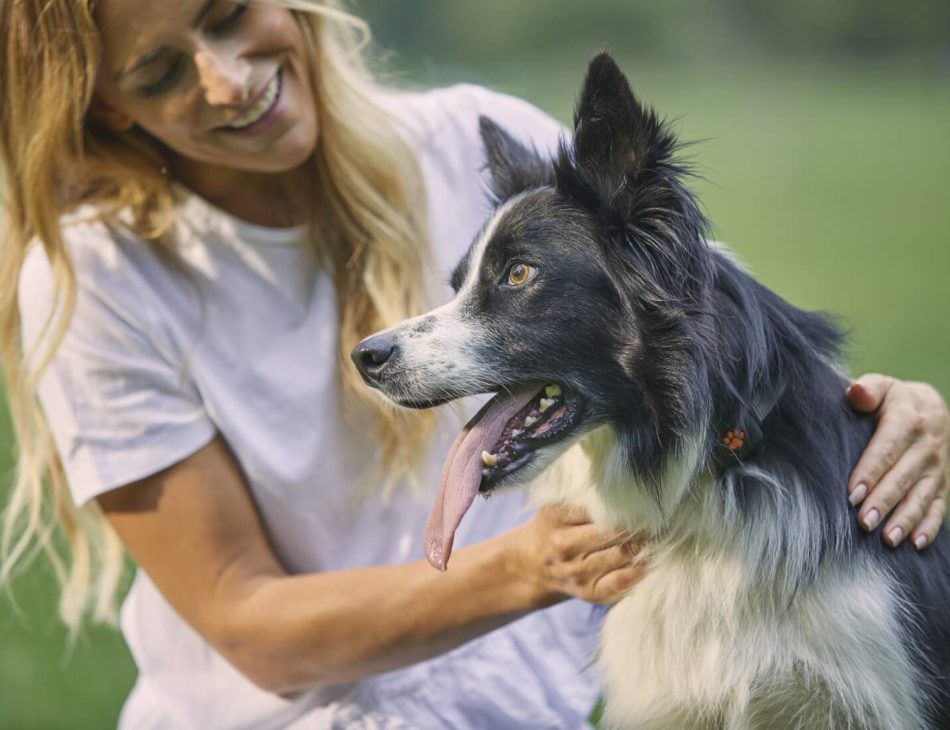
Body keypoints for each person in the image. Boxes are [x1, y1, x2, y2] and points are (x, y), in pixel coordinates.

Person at [1, 1, 947, 728]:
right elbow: (248, 622)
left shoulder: (469, 139)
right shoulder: (90, 281)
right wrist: (528, 568)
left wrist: (886, 409)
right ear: (108, 113)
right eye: (163, 71)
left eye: (227, 13)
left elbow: (711, 331)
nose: (227, 78)